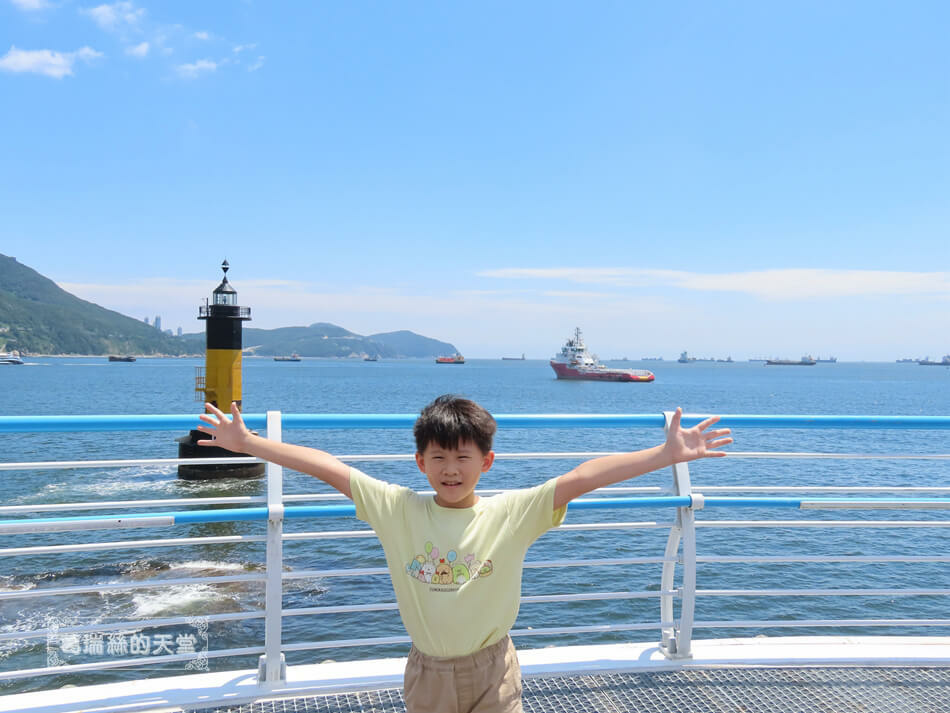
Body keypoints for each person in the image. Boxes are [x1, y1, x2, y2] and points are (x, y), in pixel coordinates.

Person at [197, 395, 731, 713]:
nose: (451, 468)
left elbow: (579, 478)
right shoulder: (396, 508)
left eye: (462, 457)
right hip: (428, 672)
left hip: (494, 668)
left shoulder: (511, 513)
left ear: (487, 462)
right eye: (439, 458)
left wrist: (663, 455)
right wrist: (251, 445)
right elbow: (328, 467)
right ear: (420, 463)